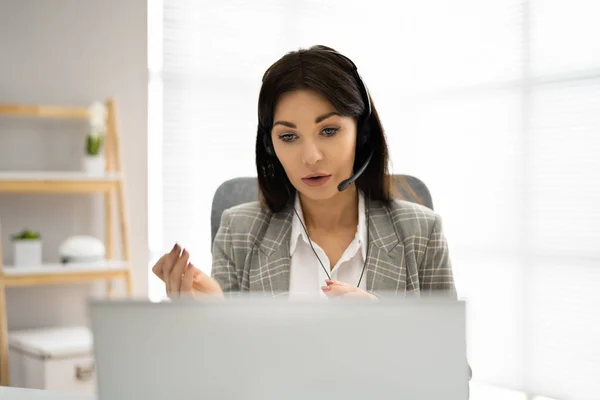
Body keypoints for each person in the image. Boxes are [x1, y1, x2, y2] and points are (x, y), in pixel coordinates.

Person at [152, 45, 458, 301]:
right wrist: (208, 320)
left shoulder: (421, 233)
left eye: (329, 130)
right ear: (270, 146)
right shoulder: (239, 233)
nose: (310, 157)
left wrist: (382, 330)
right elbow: (224, 368)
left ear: (361, 134)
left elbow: (451, 370)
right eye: (288, 137)